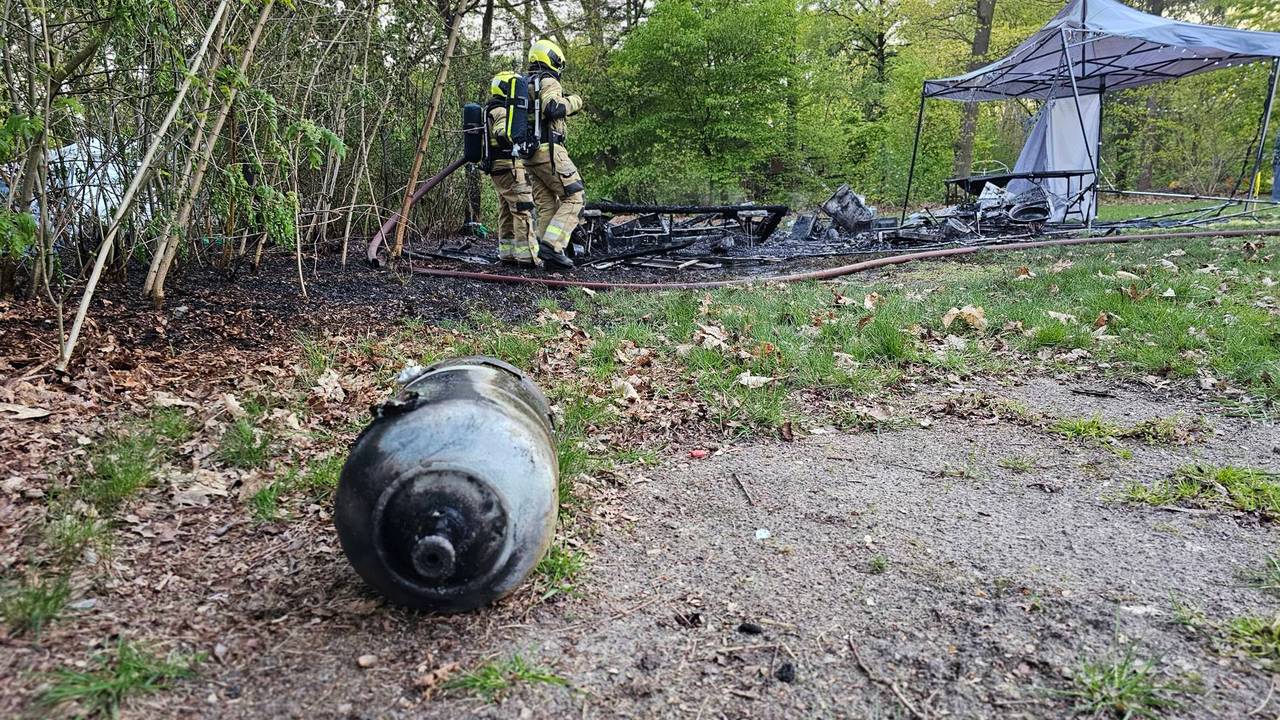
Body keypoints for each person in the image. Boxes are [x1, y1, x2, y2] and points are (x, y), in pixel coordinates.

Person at [525, 39, 585, 270]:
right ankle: (553, 246)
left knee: (547, 205)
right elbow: (552, 108)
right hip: (549, 151)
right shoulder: (548, 81)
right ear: (552, 59)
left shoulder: (526, 84)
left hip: (530, 155)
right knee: (575, 196)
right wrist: (575, 101)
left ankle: (549, 259)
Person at [485, 71, 540, 266]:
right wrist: (518, 139)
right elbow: (502, 132)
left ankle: (507, 254)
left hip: (498, 168)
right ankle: (527, 257)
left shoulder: (491, 108)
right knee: (523, 209)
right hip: (509, 167)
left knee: (507, 211)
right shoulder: (501, 110)